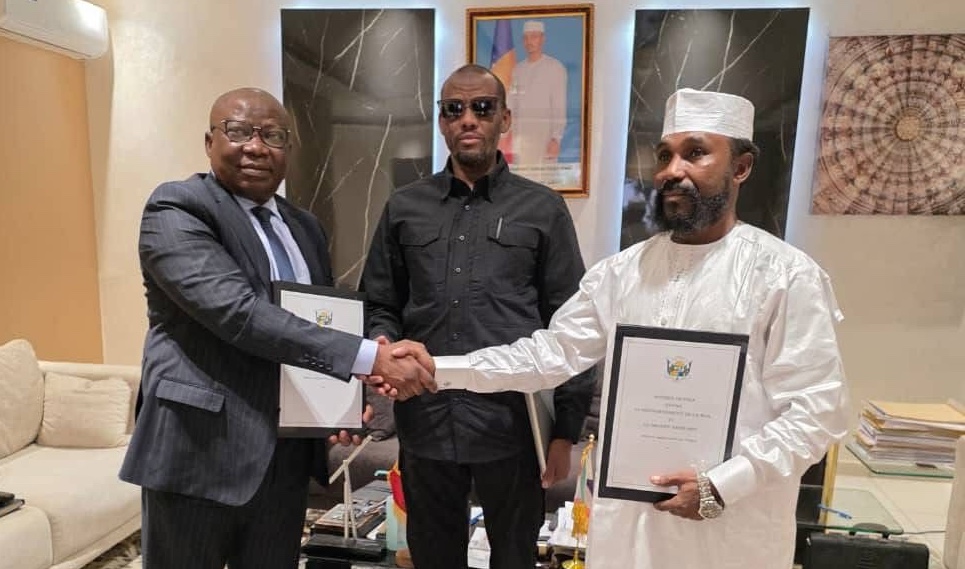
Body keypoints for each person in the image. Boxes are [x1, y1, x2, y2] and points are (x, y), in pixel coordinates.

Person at [418, 88, 851, 568]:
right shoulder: (622, 272)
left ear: (741, 167)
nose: (671, 171)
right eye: (664, 156)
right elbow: (549, 355)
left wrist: (722, 486)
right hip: (628, 529)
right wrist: (436, 368)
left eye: (695, 153)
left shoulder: (786, 276)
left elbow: (819, 412)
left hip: (732, 532)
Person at [119, 87, 435, 569]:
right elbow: (239, 313)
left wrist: (337, 407)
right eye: (238, 131)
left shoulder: (304, 227)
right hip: (197, 452)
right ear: (209, 142)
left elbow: (314, 321)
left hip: (284, 463)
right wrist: (371, 359)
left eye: (272, 135)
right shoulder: (178, 208)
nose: (256, 146)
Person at [361, 64, 596, 569]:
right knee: (433, 559)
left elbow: (573, 324)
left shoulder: (543, 209)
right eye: (454, 109)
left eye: (482, 108)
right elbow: (380, 303)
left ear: (504, 119)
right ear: (442, 122)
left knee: (513, 560)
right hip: (426, 422)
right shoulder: (404, 207)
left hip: (512, 427)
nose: (468, 118)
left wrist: (565, 432)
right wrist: (382, 344)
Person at [508, 20, 567, 168]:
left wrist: (556, 139)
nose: (529, 42)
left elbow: (559, 106)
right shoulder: (517, 70)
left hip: (544, 139)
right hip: (520, 139)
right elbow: (511, 104)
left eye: (534, 37)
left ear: (542, 38)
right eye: (526, 38)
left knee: (544, 179)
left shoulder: (555, 68)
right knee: (520, 179)